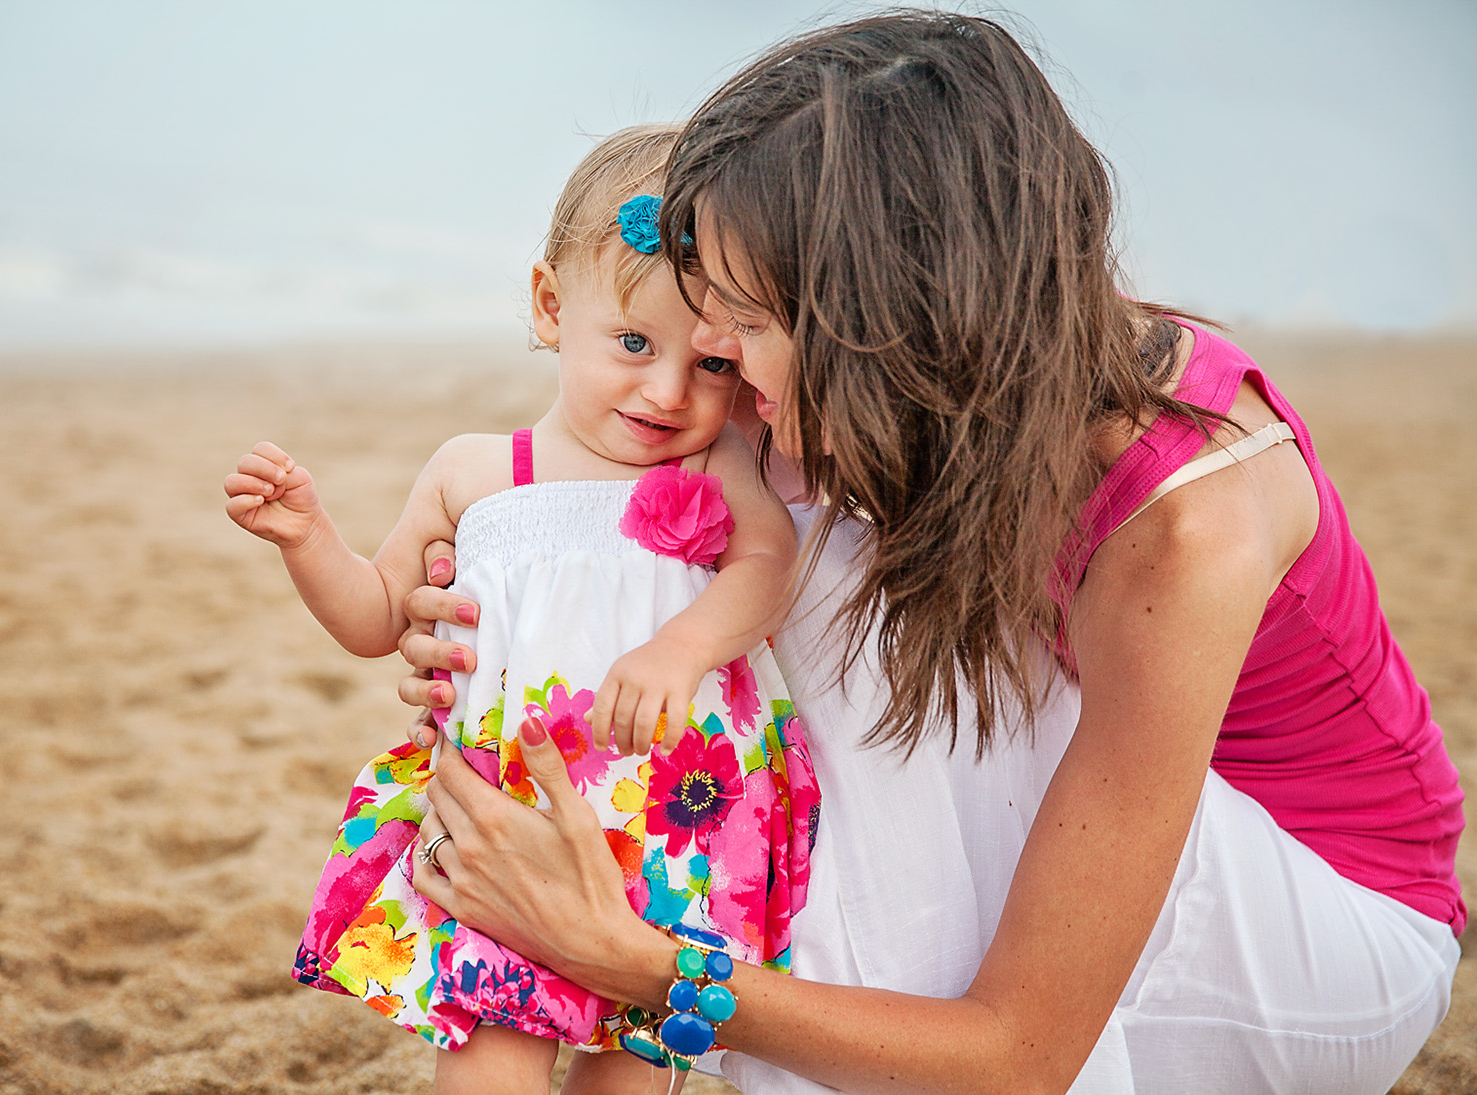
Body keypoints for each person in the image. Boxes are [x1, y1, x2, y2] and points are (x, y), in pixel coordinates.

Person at [389, 12, 1465, 1095]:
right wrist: (501, 616)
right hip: (1114, 880)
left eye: (751, 320)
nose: (715, 350)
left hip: (1319, 933)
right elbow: (615, 521)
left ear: (879, 316)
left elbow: (1020, 1054)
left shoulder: (1185, 526)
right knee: (742, 527)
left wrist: (638, 965)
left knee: (817, 571)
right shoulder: (952, 379)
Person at [224, 124, 819, 1095]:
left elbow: (767, 561)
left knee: (636, 1061)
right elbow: (378, 616)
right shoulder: (475, 470)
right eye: (632, 343)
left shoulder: (717, 464)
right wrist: (308, 540)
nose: (668, 391)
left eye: (711, 364)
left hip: (673, 811)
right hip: (509, 814)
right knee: (492, 1053)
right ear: (551, 306)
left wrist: (682, 649)